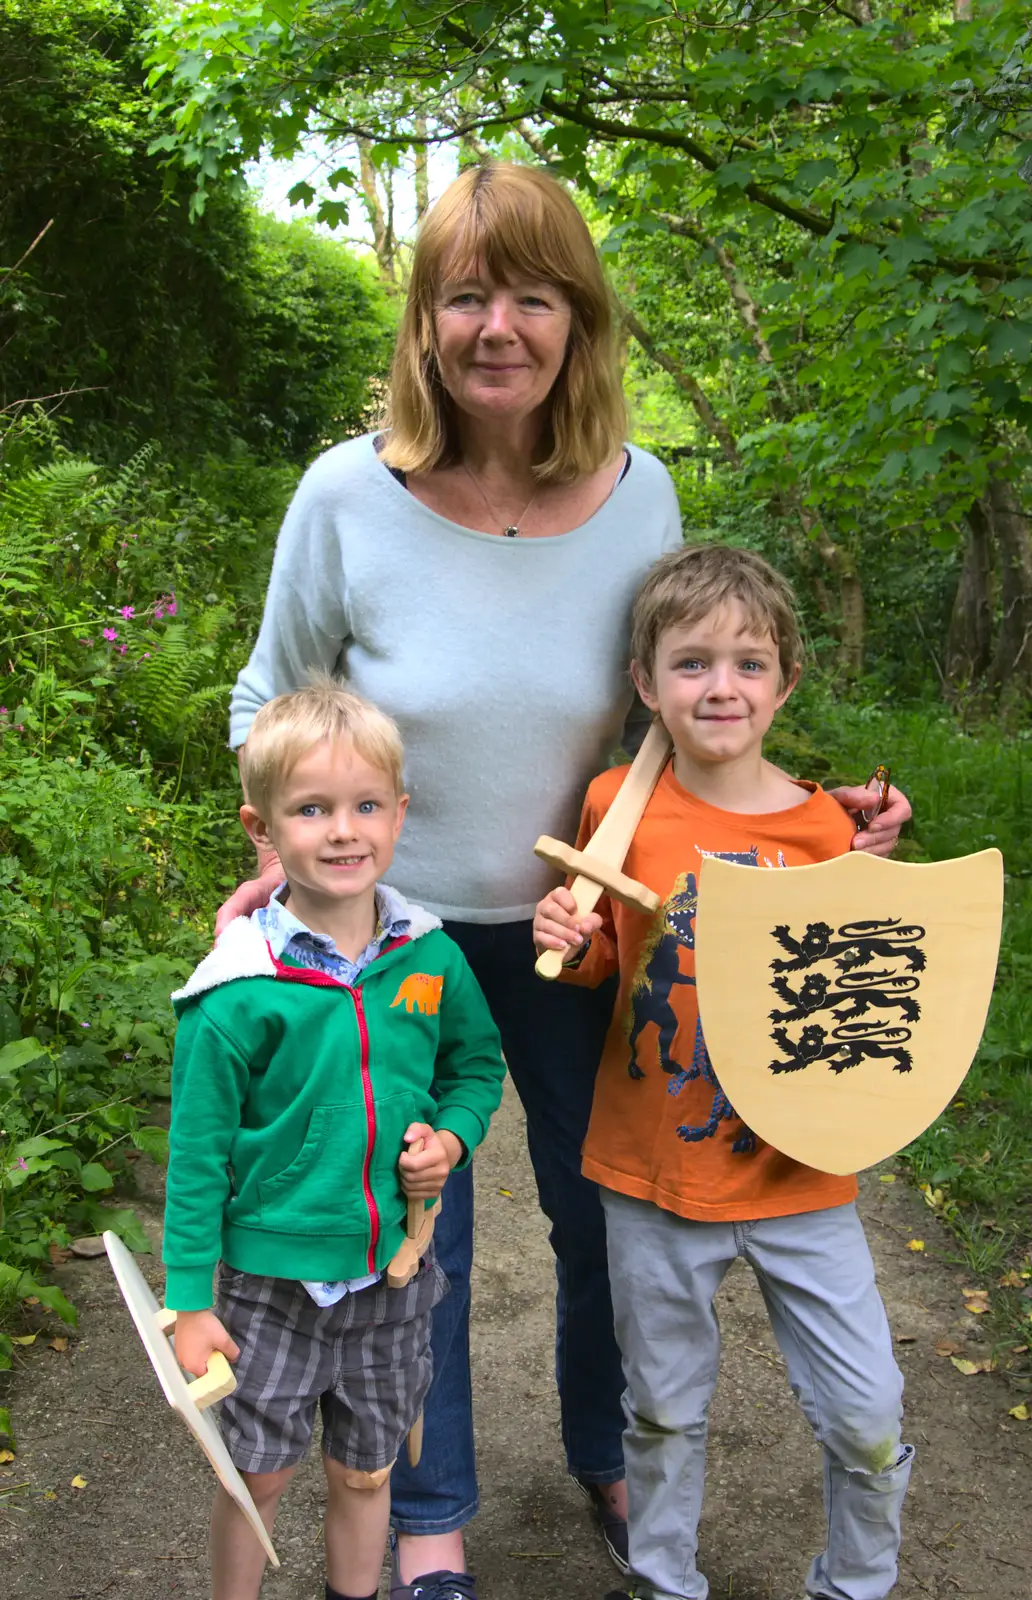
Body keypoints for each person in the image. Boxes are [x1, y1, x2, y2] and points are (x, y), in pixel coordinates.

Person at [218, 161, 913, 1600]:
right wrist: (282, 856)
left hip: (597, 936)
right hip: (389, 939)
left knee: (615, 1219)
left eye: (531, 294)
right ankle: (429, 1512)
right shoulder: (348, 495)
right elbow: (269, 698)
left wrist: (807, 810)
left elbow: (689, 699)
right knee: (413, 1239)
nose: (497, 326)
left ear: (577, 319)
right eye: (465, 294)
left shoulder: (640, 492)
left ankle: (610, 1449)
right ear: (424, 320)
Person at [533, 544, 913, 1600]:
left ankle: (856, 1582)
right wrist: (569, 932)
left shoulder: (825, 826)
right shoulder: (617, 801)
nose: (722, 686)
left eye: (750, 663)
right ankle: (663, 1577)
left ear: (786, 682)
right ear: (648, 685)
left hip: (803, 1176)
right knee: (661, 1408)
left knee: (868, 1414)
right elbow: (604, 955)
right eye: (692, 662)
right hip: (655, 1171)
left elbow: (864, 1003)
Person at [163, 680, 506, 1600]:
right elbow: (194, 1158)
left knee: (368, 1471)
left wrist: (457, 1140)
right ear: (263, 829)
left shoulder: (429, 956)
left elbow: (475, 1066)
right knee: (257, 1477)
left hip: (393, 1276)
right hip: (267, 1287)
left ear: (400, 813)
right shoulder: (236, 991)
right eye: (312, 809)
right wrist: (190, 1303)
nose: (344, 830)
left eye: (364, 806)